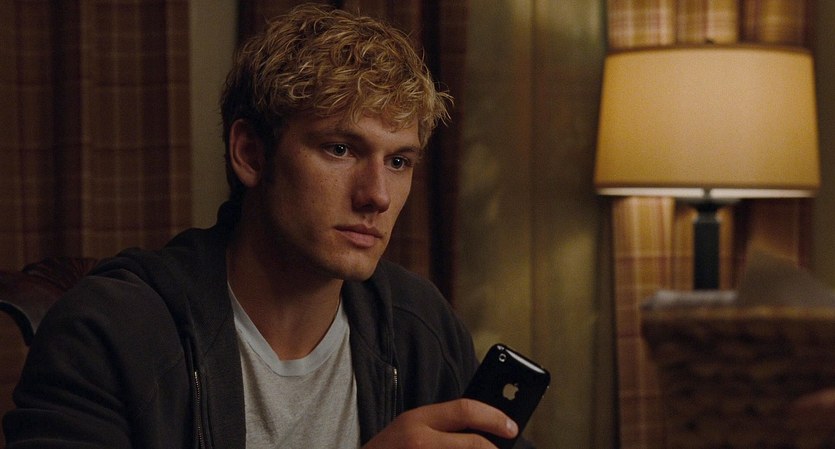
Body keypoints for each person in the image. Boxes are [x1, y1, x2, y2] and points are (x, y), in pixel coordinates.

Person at [3, 4, 526, 448]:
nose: (377, 195)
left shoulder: (420, 326)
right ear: (250, 154)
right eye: (340, 149)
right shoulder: (109, 332)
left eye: (398, 161)